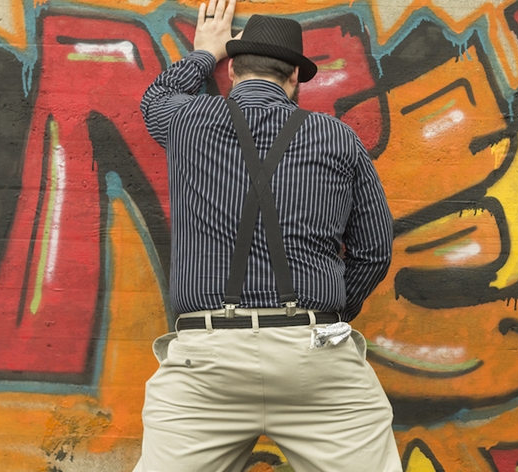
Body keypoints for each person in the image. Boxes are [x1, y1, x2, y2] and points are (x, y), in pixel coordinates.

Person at [136, 0, 401, 470]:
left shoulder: (186, 122)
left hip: (207, 363)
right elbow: (374, 253)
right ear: (296, 78)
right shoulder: (338, 138)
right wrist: (325, 315)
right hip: (314, 361)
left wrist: (203, 54)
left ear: (233, 68)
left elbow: (155, 98)